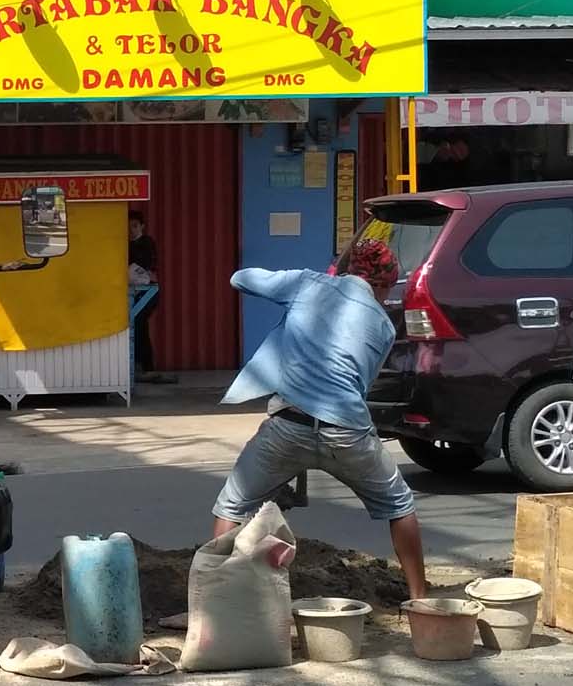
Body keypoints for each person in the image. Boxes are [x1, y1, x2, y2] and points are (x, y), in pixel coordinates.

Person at [214, 240, 427, 596]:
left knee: (232, 507)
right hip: (347, 432)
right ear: (382, 284)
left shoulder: (306, 283)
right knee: (399, 505)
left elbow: (241, 279)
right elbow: (361, 385)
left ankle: (217, 601)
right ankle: (420, 597)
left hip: (287, 426)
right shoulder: (383, 327)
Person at [129, 212, 170, 384]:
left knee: (138, 324)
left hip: (148, 292)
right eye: (129, 226)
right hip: (133, 291)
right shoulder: (125, 244)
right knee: (136, 326)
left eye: (135, 226)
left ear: (142, 226)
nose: (131, 230)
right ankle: (141, 367)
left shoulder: (146, 243)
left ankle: (145, 367)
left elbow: (149, 265)